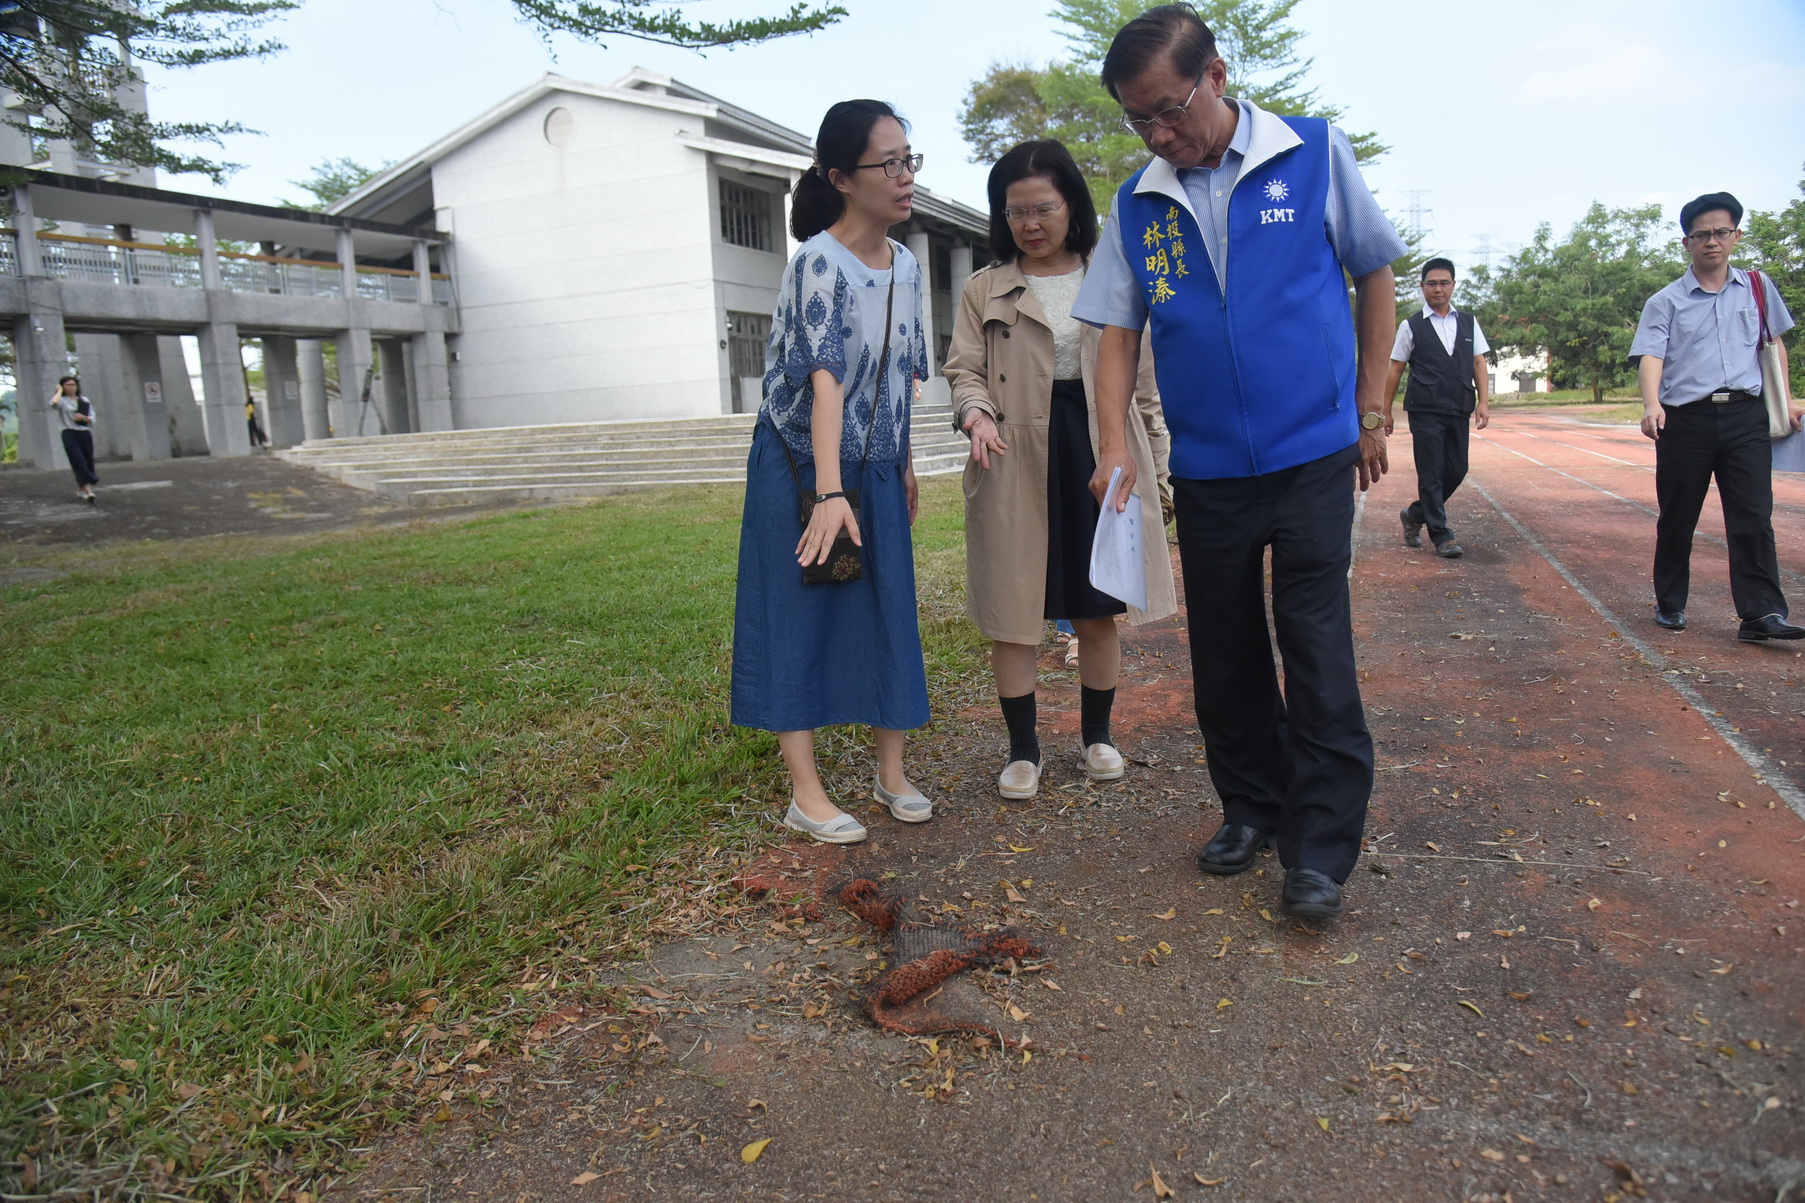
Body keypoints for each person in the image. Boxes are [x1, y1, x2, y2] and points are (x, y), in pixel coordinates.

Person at [1070, 5, 1405, 919]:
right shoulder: (1141, 199)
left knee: (1314, 642)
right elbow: (1112, 333)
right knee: (1221, 649)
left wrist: (1371, 404)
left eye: (1169, 109)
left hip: (1309, 454)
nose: (1159, 133)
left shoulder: (1309, 150)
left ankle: (1319, 848)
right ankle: (1250, 808)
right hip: (1210, 467)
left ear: (1216, 74)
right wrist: (1113, 447)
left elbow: (1373, 271)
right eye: (1139, 120)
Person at [945, 139, 1176, 801]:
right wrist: (975, 413)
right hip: (1014, 455)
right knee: (1013, 610)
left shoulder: (1113, 274)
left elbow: (1145, 383)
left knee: (1097, 604)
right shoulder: (982, 288)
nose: (1030, 223)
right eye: (1015, 212)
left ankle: (1097, 735)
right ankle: (1022, 750)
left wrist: (1155, 467)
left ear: (1071, 204)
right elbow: (962, 367)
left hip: (1099, 445)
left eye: (1042, 207)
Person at [730, 99, 934, 844]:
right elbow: (823, 379)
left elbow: (903, 375)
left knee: (887, 604)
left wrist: (902, 464)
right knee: (797, 608)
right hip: (801, 463)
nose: (905, 176)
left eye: (910, 158)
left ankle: (892, 773)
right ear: (841, 177)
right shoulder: (818, 259)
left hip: (875, 459)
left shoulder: (907, 264)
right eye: (889, 163)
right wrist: (826, 492)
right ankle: (806, 792)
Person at [1630, 191, 1802, 641]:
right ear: (1686, 242)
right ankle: (1670, 602)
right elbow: (1651, 355)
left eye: (1721, 232)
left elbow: (1774, 345)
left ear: (1736, 236)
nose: (1712, 241)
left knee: (1752, 515)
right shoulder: (1664, 302)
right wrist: (1652, 404)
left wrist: (1785, 399)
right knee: (1678, 515)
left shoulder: (1759, 288)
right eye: (1702, 234)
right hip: (1685, 421)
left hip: (1746, 418)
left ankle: (1762, 614)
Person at [1384, 257, 1491, 558]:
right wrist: (1386, 410)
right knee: (1430, 473)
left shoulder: (1469, 322)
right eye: (1431, 283)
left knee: (1457, 469)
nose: (1438, 289)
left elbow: (1478, 362)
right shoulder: (1412, 326)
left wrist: (1483, 401)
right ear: (1422, 287)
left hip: (1459, 406)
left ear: (1453, 285)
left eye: (1444, 283)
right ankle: (1441, 535)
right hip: (1425, 408)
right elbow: (1395, 369)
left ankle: (1415, 514)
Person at [48, 375, 99, 503]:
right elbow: (53, 403)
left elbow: (92, 418)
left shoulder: (83, 400)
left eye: (73, 385)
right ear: (63, 387)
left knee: (87, 461)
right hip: (69, 433)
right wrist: (59, 391)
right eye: (68, 385)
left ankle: (81, 489)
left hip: (84, 433)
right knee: (78, 461)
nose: (71, 387)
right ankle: (88, 490)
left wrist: (83, 418)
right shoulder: (62, 401)